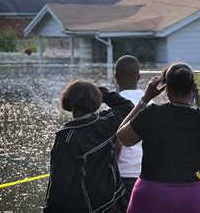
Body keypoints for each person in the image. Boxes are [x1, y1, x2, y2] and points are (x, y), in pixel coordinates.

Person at [117, 62, 200, 213]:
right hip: (189, 199)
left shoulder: (151, 114)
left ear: (166, 89)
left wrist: (145, 98)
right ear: (193, 87)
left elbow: (122, 136)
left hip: (150, 195)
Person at [44, 80, 134, 212]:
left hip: (82, 207)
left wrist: (49, 209)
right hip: (112, 203)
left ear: (69, 103)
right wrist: (103, 93)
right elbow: (127, 106)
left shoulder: (67, 137)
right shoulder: (107, 123)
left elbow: (60, 183)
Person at [113, 55, 146, 212]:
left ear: (116, 78)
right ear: (139, 76)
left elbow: (115, 145)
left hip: (121, 175)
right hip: (147, 175)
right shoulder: (151, 105)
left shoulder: (112, 106)